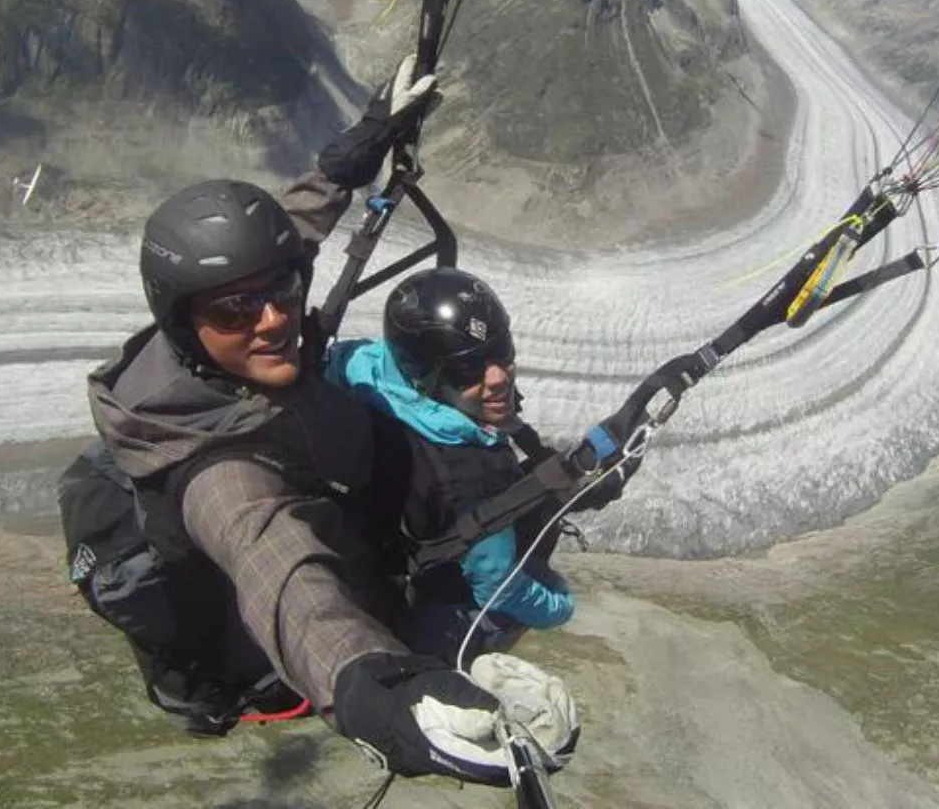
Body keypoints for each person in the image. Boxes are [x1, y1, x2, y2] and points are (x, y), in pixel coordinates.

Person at [67, 59, 578, 786]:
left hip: (347, 480)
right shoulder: (215, 475)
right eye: (235, 310)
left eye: (279, 292)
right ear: (186, 325)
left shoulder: (227, 330)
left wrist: (357, 151)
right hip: (346, 599)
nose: (273, 319)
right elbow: (284, 577)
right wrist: (378, 692)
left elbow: (289, 237)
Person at [327, 268, 576, 665]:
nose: (498, 378)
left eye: (502, 353)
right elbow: (498, 588)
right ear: (422, 373)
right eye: (468, 369)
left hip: (358, 551)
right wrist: (561, 607)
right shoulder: (475, 471)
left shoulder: (357, 364)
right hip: (402, 606)